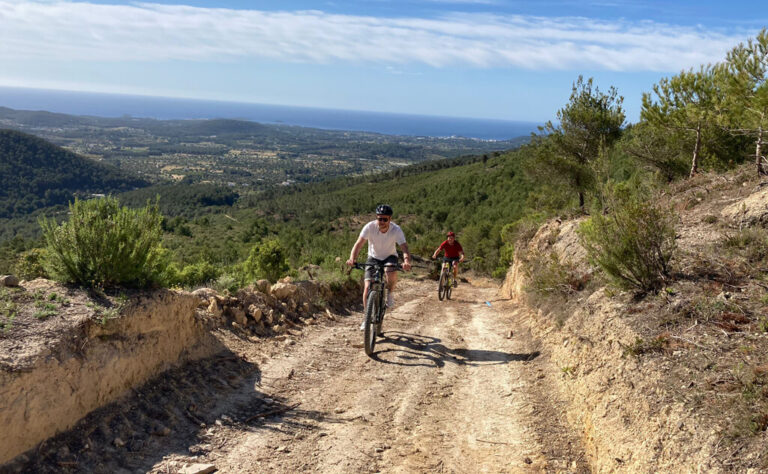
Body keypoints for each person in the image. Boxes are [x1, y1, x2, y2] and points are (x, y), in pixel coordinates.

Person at [346, 204, 412, 329]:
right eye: (379, 218)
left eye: (384, 219)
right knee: (367, 288)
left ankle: (390, 293)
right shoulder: (369, 227)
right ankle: (367, 318)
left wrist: (407, 261)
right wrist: (352, 259)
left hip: (389, 256)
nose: (381, 221)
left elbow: (404, 247)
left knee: (389, 271)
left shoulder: (396, 230)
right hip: (373, 257)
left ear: (390, 219)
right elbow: (358, 244)